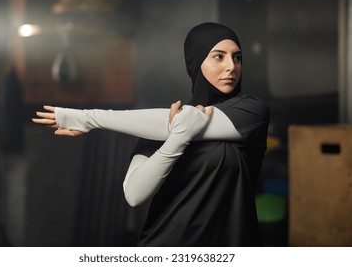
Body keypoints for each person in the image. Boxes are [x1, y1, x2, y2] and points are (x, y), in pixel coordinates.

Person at [32, 22, 269, 246]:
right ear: (196, 63)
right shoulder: (154, 126)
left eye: (237, 58)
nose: (231, 66)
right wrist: (178, 138)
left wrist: (88, 118)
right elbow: (135, 194)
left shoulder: (250, 111)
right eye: (219, 56)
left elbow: (189, 121)